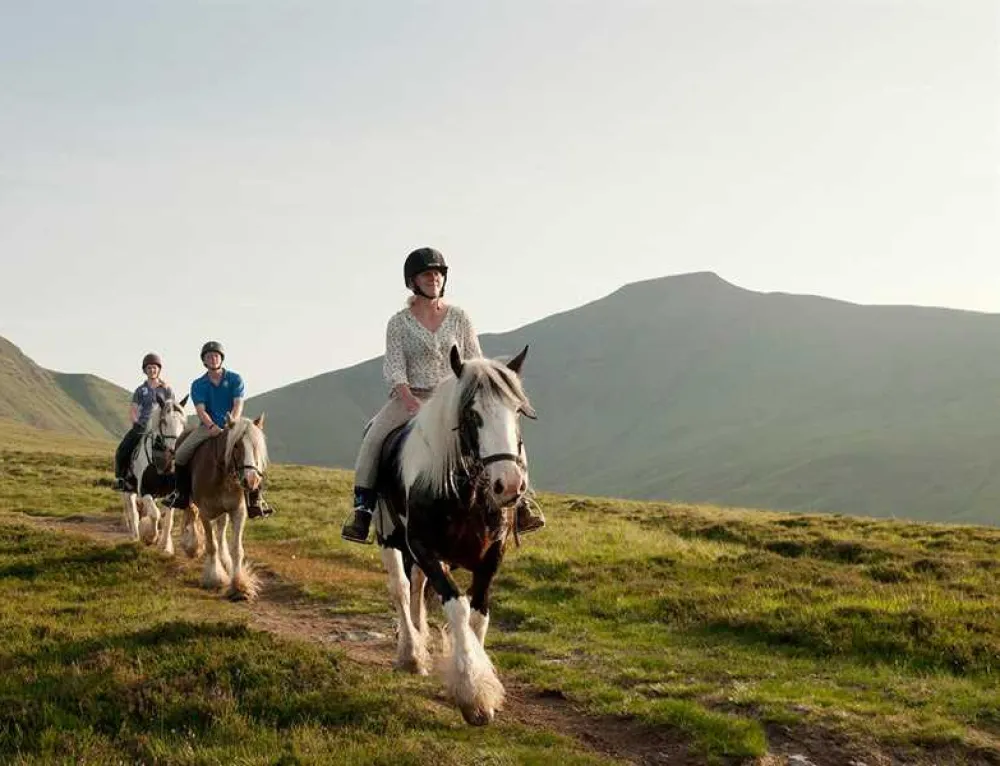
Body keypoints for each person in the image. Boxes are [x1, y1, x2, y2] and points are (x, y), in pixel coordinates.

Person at [341, 247, 545, 544]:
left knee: (501, 430)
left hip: (454, 398)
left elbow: (475, 360)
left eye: (438, 273)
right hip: (411, 397)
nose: (434, 278)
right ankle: (363, 509)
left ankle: (522, 501)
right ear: (414, 281)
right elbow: (395, 367)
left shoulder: (460, 317)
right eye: (427, 274)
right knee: (373, 437)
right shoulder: (398, 323)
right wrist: (409, 400)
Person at [164, 341, 273, 518]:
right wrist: (212, 426)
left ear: (221, 358)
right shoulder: (198, 384)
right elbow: (200, 410)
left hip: (232, 426)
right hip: (208, 427)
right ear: (204, 361)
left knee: (252, 454)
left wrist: (233, 423)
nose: (213, 358)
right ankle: (181, 494)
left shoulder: (235, 379)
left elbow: (238, 404)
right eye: (209, 356)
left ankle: (255, 500)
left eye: (216, 356)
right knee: (182, 454)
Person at [113, 353, 174, 491]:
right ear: (145, 370)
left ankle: (177, 483)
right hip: (143, 424)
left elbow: (172, 408)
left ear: (159, 370)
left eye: (154, 368)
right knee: (122, 449)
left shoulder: (167, 389)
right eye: (149, 368)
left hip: (162, 426)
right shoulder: (140, 390)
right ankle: (122, 478)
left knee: (177, 450)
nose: (152, 370)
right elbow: (134, 409)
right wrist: (135, 421)